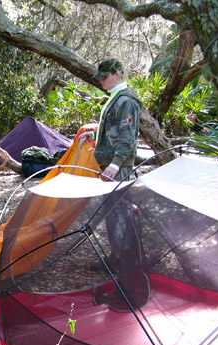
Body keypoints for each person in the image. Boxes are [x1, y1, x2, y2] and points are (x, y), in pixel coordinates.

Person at [86, 59, 150, 311]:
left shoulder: (126, 100)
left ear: (116, 73)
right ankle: (117, 263)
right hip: (108, 164)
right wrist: (94, 136)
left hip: (118, 167)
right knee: (113, 217)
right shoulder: (115, 98)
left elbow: (128, 136)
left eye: (104, 76)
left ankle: (129, 275)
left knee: (121, 218)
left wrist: (117, 163)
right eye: (100, 77)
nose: (101, 81)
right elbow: (112, 130)